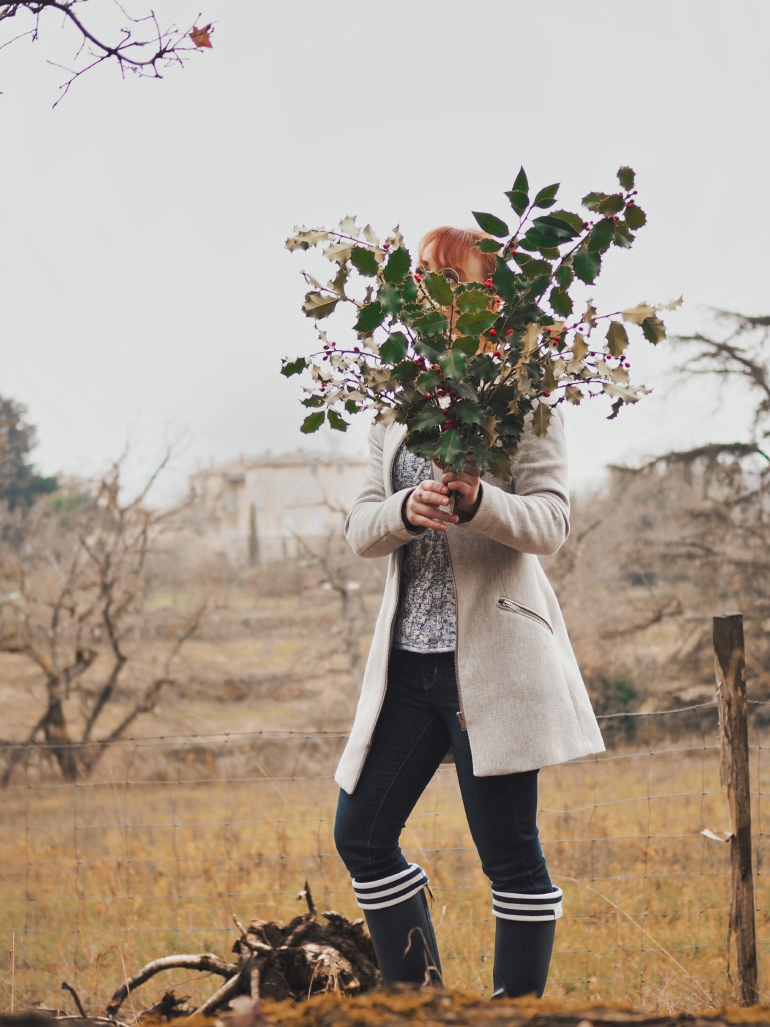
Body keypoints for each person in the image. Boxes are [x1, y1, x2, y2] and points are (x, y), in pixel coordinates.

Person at [333, 225, 605, 996]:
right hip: (408, 668)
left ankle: (513, 1016)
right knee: (360, 834)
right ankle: (424, 1005)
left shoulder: (527, 392)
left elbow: (551, 521)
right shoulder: (396, 398)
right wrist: (405, 509)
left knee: (511, 855)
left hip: (495, 665)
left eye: (449, 275)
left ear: (489, 292)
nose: (430, 287)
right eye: (421, 274)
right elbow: (359, 527)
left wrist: (479, 499)